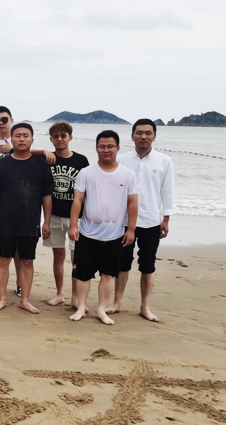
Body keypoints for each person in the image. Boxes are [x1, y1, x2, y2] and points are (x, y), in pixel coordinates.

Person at [107, 119, 175, 322]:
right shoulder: (122, 160)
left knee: (148, 265)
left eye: (148, 133)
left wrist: (166, 219)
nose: (143, 136)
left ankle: (145, 307)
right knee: (122, 264)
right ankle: (117, 302)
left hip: (151, 220)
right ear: (132, 136)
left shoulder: (164, 161)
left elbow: (167, 191)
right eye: (139, 133)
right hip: (123, 221)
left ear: (154, 136)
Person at [68, 130, 138, 325]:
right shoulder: (86, 173)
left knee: (108, 275)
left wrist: (131, 229)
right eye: (102, 146)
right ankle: (81, 307)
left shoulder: (128, 174)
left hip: (114, 235)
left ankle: (101, 309)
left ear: (118, 148)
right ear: (96, 148)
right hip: (87, 233)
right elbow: (77, 200)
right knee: (82, 274)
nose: (106, 150)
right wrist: (73, 226)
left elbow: (133, 203)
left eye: (110, 146)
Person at [0, 123, 52, 314]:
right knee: (3, 259)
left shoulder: (41, 165)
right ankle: (1, 299)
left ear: (32, 140)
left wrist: (46, 221)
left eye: (25, 135)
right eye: (17, 135)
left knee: (27, 261)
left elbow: (46, 195)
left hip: (30, 222)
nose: (21, 139)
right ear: (12, 139)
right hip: (5, 220)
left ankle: (25, 300)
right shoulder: (2, 164)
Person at [42, 121, 90, 307]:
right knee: (58, 255)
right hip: (54, 215)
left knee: (76, 258)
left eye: (63, 136)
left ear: (70, 137)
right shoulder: (47, 159)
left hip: (76, 218)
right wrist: (44, 151)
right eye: (56, 136)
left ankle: (75, 297)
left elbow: (87, 190)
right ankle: (59, 293)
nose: (60, 139)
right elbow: (26, 153)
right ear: (51, 139)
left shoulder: (81, 160)